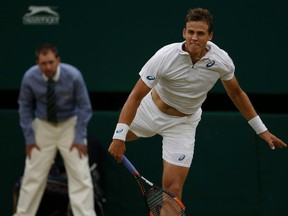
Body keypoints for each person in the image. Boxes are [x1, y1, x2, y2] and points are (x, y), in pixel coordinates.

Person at [108, 7, 287, 201]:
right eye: (190, 32)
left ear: (210, 36)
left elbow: (236, 93)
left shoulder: (221, 61)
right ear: (184, 32)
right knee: (113, 141)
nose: (194, 37)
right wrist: (119, 137)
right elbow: (135, 96)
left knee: (173, 192)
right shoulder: (164, 56)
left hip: (182, 124)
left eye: (200, 33)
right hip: (149, 111)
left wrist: (261, 130)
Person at [15, 43, 97, 216]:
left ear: (58, 60)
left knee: (80, 175)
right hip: (43, 126)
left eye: (51, 62)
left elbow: (84, 107)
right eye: (44, 63)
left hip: (70, 126)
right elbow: (24, 107)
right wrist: (30, 139)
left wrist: (79, 136)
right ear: (38, 63)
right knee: (32, 176)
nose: (48, 67)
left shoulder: (73, 75)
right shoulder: (30, 77)